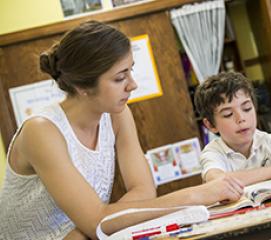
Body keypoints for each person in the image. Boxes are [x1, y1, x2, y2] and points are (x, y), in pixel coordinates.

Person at [0, 21, 244, 240]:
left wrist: (90, 226)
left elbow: (143, 189)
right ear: (82, 86)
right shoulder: (41, 131)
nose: (133, 84)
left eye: (131, 70)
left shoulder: (117, 115)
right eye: (119, 78)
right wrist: (196, 195)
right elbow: (98, 220)